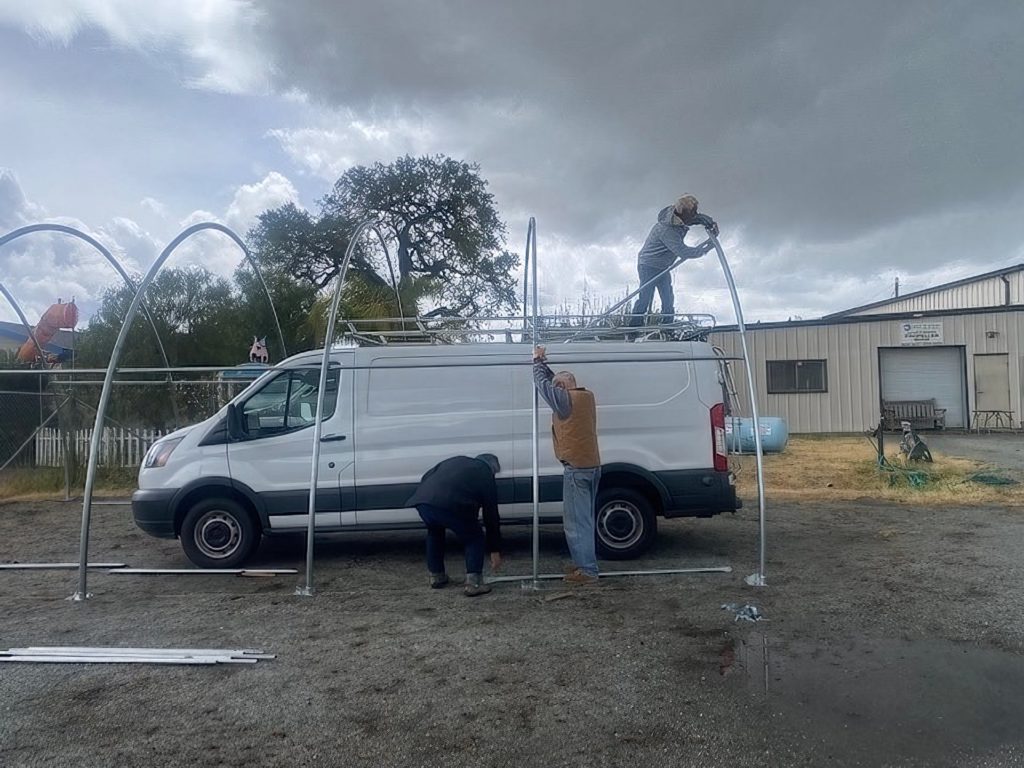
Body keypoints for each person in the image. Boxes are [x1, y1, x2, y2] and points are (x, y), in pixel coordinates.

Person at [532, 345, 601, 585]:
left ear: (562, 387)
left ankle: (588, 571)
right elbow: (554, 383)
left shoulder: (563, 400)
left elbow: (543, 385)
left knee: (576, 522)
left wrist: (537, 362)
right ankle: (585, 563)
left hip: (577, 468)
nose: (556, 388)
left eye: (558, 385)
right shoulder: (584, 396)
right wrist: (548, 368)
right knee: (586, 518)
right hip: (592, 465)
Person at [405, 454, 504, 597]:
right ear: (493, 467)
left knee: (435, 531)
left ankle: (436, 576)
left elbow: (427, 476)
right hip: (450, 504)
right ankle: (474, 583)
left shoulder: (457, 461)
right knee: (474, 537)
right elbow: (491, 514)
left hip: (424, 501)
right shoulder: (484, 471)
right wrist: (495, 549)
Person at [628, 194, 719, 327]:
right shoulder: (666, 229)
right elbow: (684, 252)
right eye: (691, 213)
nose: (694, 215)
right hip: (648, 264)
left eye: (694, 212)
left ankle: (667, 327)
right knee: (645, 296)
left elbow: (697, 218)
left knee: (668, 298)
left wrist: (711, 223)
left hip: (663, 265)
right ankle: (633, 328)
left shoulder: (680, 217)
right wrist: (708, 247)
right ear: (682, 213)